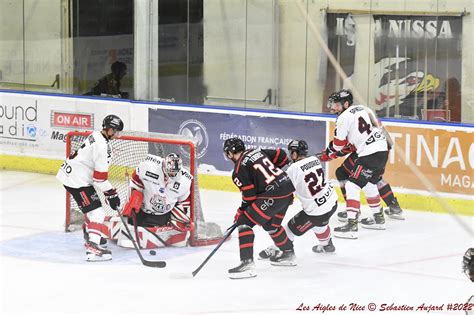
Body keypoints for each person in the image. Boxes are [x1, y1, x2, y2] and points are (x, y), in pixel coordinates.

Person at [319, 89, 389, 239]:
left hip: (369, 153)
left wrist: (329, 153)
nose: (333, 108)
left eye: (337, 105)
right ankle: (379, 219)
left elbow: (338, 144)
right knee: (370, 182)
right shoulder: (364, 108)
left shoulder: (343, 117)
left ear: (346, 104)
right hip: (382, 149)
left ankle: (351, 226)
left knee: (352, 185)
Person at [223, 137, 296, 279]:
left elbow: (249, 197)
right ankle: (288, 254)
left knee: (244, 222)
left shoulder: (238, 170)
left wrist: (240, 213)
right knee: (271, 225)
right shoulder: (257, 151)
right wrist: (279, 178)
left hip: (273, 196)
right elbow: (281, 155)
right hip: (287, 190)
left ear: (229, 154)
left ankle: (247, 264)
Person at [56, 114, 124, 261]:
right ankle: (93, 249)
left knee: (92, 208)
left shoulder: (96, 134)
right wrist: (111, 193)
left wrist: (109, 194)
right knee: (97, 213)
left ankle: (90, 234)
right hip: (76, 180)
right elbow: (99, 179)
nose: (118, 135)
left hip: (72, 174)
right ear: (110, 130)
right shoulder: (102, 147)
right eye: (117, 131)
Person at [259, 139, 338, 259]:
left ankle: (277, 248)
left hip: (316, 211)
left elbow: (283, 190)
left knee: (289, 228)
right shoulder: (315, 160)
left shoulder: (293, 169)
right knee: (321, 222)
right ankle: (327, 245)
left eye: (291, 152)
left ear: (295, 153)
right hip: (332, 200)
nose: (291, 155)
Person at [117, 153, 193, 247]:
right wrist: (133, 198)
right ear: (164, 167)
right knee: (131, 216)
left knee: (179, 220)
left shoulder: (185, 181)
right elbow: (135, 180)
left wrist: (180, 216)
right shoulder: (148, 167)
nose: (173, 174)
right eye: (171, 172)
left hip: (162, 216)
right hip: (142, 210)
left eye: (175, 172)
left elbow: (185, 202)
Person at [333, 144, 404, 221]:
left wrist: (331, 153)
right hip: (382, 149)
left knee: (342, 172)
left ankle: (353, 210)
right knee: (374, 176)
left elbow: (348, 144)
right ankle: (393, 205)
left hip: (368, 150)